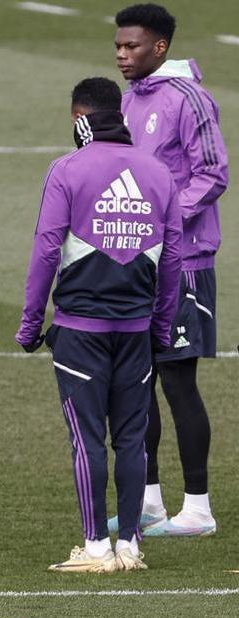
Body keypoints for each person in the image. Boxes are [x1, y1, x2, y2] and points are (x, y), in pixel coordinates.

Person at [17, 77, 182, 573]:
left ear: (79, 119)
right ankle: (129, 547)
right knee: (132, 437)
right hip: (136, 331)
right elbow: (173, 258)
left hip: (80, 331)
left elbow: (47, 247)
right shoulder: (157, 173)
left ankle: (94, 549)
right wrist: (162, 327)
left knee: (87, 438)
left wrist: (30, 324)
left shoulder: (66, 169)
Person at [112, 3, 228, 537]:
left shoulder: (189, 99)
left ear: (159, 47)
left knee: (179, 381)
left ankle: (199, 509)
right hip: (139, 258)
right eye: (117, 46)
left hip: (183, 262)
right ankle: (151, 502)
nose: (121, 55)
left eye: (131, 46)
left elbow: (213, 173)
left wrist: (164, 221)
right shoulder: (129, 101)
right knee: (139, 381)